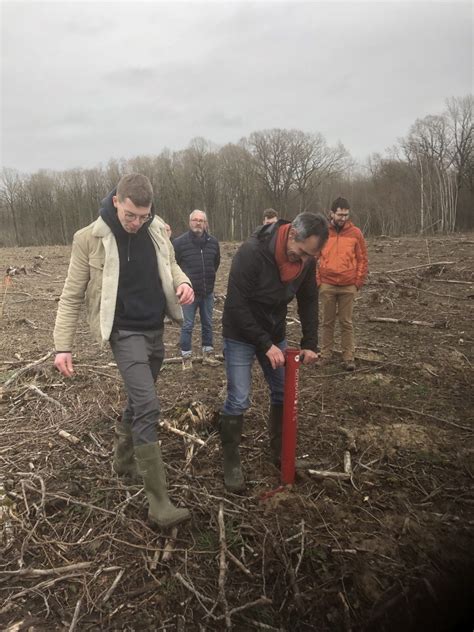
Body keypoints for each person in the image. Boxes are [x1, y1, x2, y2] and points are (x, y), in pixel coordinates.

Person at [53, 173, 194, 529]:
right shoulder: (89, 238)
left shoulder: (157, 228)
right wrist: (62, 347)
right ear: (116, 200)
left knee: (138, 398)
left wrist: (183, 283)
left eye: (142, 216)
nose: (136, 223)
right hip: (123, 333)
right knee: (148, 405)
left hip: (154, 330)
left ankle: (123, 458)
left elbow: (171, 264)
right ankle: (158, 502)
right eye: (130, 215)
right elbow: (71, 294)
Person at [219, 212, 329, 491]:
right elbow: (235, 305)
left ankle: (280, 454)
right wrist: (264, 345)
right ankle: (231, 463)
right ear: (292, 235)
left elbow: (308, 300)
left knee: (282, 391)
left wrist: (310, 342)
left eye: (310, 257)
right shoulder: (252, 252)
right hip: (240, 333)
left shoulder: (305, 261)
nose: (303, 261)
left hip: (274, 331)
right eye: (302, 253)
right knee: (239, 398)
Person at [316, 197, 368, 371]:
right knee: (327, 322)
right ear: (332, 213)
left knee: (346, 322)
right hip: (327, 284)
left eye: (346, 215)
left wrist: (357, 282)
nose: (343, 218)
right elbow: (314, 257)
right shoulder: (323, 232)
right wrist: (318, 281)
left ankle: (348, 357)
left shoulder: (356, 233)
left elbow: (362, 259)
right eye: (340, 214)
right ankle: (325, 355)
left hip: (348, 285)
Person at [173, 209, 221, 370]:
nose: (198, 223)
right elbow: (175, 266)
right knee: (187, 325)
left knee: (208, 323)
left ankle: (208, 353)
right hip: (189, 294)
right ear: (190, 222)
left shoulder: (213, 242)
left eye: (201, 220)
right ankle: (186, 356)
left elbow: (216, 263)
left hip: (207, 292)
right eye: (195, 220)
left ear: (205, 223)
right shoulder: (179, 243)